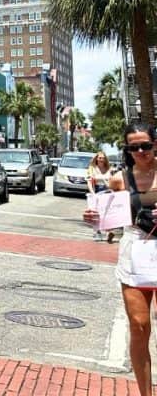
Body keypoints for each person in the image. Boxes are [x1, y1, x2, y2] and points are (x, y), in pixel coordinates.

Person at [83, 122, 157, 396]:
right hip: (135, 253)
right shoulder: (120, 179)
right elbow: (107, 217)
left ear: (155, 144)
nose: (141, 151)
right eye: (134, 147)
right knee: (139, 325)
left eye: (146, 145)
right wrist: (93, 217)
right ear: (127, 149)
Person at [87, 151, 115, 242]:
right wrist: (93, 193)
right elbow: (89, 182)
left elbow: (112, 181)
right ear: (96, 159)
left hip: (107, 191)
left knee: (107, 212)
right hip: (97, 191)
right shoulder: (92, 168)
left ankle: (108, 232)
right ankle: (97, 232)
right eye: (99, 158)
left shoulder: (109, 169)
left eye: (103, 158)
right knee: (96, 213)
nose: (101, 160)